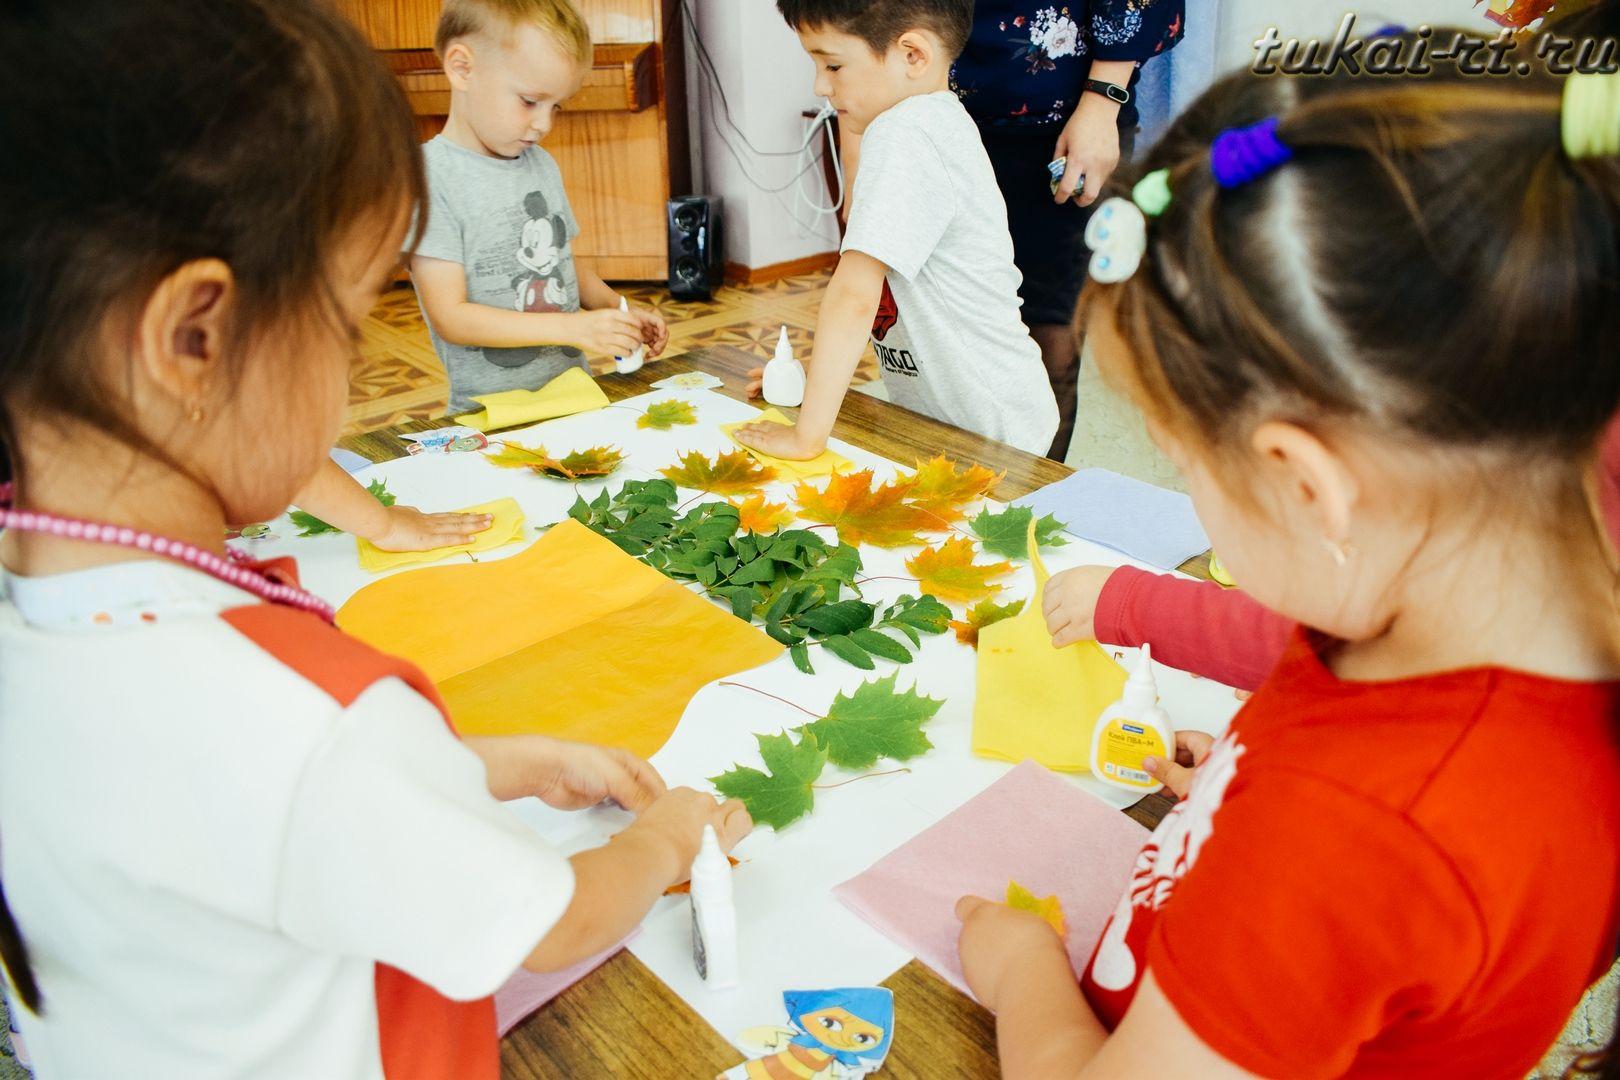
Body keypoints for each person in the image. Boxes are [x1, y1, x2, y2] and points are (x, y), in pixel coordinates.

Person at [0, 3, 748, 1076]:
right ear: (194, 338)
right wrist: (666, 837)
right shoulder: (301, 722)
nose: (352, 374)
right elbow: (557, 920)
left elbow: (238, 827)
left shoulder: (42, 624)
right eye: (348, 324)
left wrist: (472, 766)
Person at [953, 48, 1620, 1078]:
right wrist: (1233, 781)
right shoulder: (1481, 631)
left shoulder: (1349, 838)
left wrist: (1018, 972)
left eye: (1183, 464)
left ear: (1307, 485)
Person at [733, 0, 1059, 460]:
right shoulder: (932, 122)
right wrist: (822, 370)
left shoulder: (906, 134)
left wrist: (807, 436)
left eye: (833, 65)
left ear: (912, 55)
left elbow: (854, 296)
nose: (820, 85)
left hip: (987, 423)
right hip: (978, 412)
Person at [410, 0, 669, 416]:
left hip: (574, 396)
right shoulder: (429, 177)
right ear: (462, 68)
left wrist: (615, 311)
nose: (544, 124)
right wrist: (574, 327)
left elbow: (567, 265)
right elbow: (450, 317)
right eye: (530, 101)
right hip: (490, 414)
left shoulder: (541, 165)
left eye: (556, 106)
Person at [954, 0, 1185, 459]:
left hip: (1063, 118)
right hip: (932, 105)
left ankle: (1028, 504)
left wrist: (1104, 102)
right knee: (948, 329)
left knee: (1049, 335)